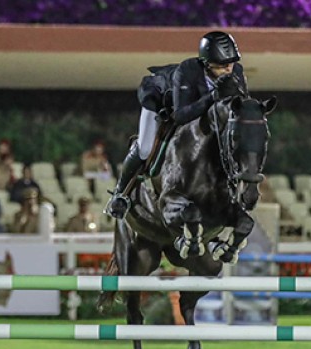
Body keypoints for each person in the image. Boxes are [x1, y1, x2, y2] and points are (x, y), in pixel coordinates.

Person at [105, 30, 248, 219]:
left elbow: (240, 109)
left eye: (231, 64)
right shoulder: (187, 71)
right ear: (206, 65)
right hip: (161, 102)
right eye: (221, 66)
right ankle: (120, 195)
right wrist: (212, 97)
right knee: (146, 148)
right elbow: (180, 115)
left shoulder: (236, 71)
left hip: (196, 113)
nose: (228, 70)